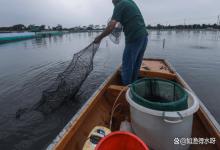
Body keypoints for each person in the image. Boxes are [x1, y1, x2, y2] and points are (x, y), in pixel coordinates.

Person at [94, 0, 148, 85]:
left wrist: (99, 37)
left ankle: (125, 90)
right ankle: (133, 87)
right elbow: (129, 19)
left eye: (112, 1)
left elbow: (111, 26)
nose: (112, 2)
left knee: (127, 66)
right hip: (144, 37)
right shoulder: (130, 1)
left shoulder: (119, 5)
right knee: (136, 65)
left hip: (133, 37)